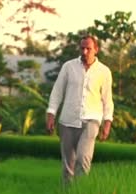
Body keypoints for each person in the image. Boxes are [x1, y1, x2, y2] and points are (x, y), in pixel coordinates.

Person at [46, 34, 114, 184]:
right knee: (68, 165)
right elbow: (57, 91)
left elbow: (107, 99)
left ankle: (81, 192)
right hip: (67, 120)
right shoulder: (68, 67)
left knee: (83, 158)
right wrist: (51, 114)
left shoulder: (104, 71)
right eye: (82, 48)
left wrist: (107, 123)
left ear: (96, 49)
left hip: (91, 120)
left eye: (88, 49)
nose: (84, 52)